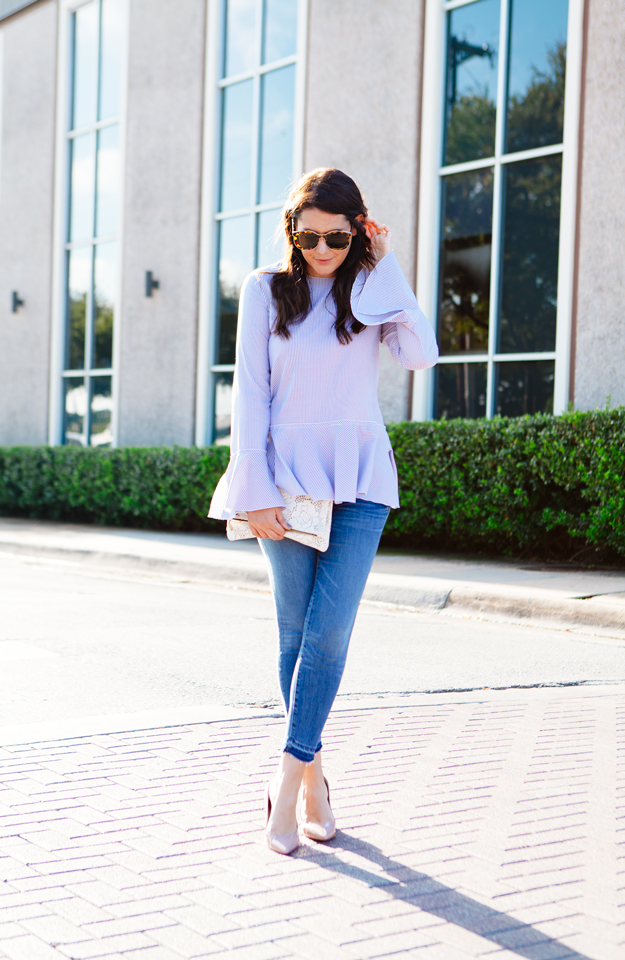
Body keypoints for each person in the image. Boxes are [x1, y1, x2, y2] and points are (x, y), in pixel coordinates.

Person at [209, 167, 438, 855]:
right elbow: (250, 392)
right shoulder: (263, 290)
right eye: (307, 236)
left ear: (357, 229)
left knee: (328, 636)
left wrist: (385, 262)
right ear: (292, 231)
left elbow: (421, 354)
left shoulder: (367, 287)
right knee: (294, 635)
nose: (320, 250)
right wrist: (254, 487)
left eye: (336, 237)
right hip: (284, 482)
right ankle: (315, 780)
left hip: (362, 479)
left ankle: (288, 779)